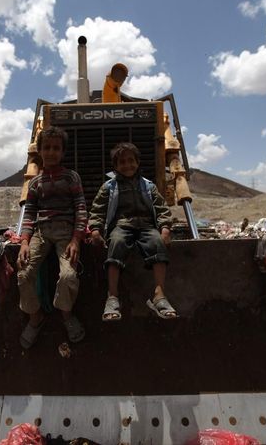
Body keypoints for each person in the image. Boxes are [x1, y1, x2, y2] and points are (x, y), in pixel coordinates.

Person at [89, 142, 178, 321]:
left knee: (157, 243)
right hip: (122, 226)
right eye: (122, 162)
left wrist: (165, 228)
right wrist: (95, 229)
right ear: (115, 166)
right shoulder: (109, 187)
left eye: (131, 160)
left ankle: (159, 295)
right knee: (117, 243)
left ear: (138, 163)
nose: (127, 165)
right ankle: (112, 297)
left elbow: (161, 209)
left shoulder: (149, 186)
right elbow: (97, 210)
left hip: (146, 226)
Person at [17, 126, 88, 348]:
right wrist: (25, 242)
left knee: (68, 276)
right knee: (23, 274)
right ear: (39, 151)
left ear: (63, 152)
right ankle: (35, 317)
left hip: (66, 232)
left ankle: (66, 314)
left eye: (56, 148)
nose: (51, 152)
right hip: (41, 232)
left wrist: (76, 239)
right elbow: (29, 213)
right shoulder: (35, 183)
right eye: (46, 147)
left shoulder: (71, 177)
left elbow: (81, 209)